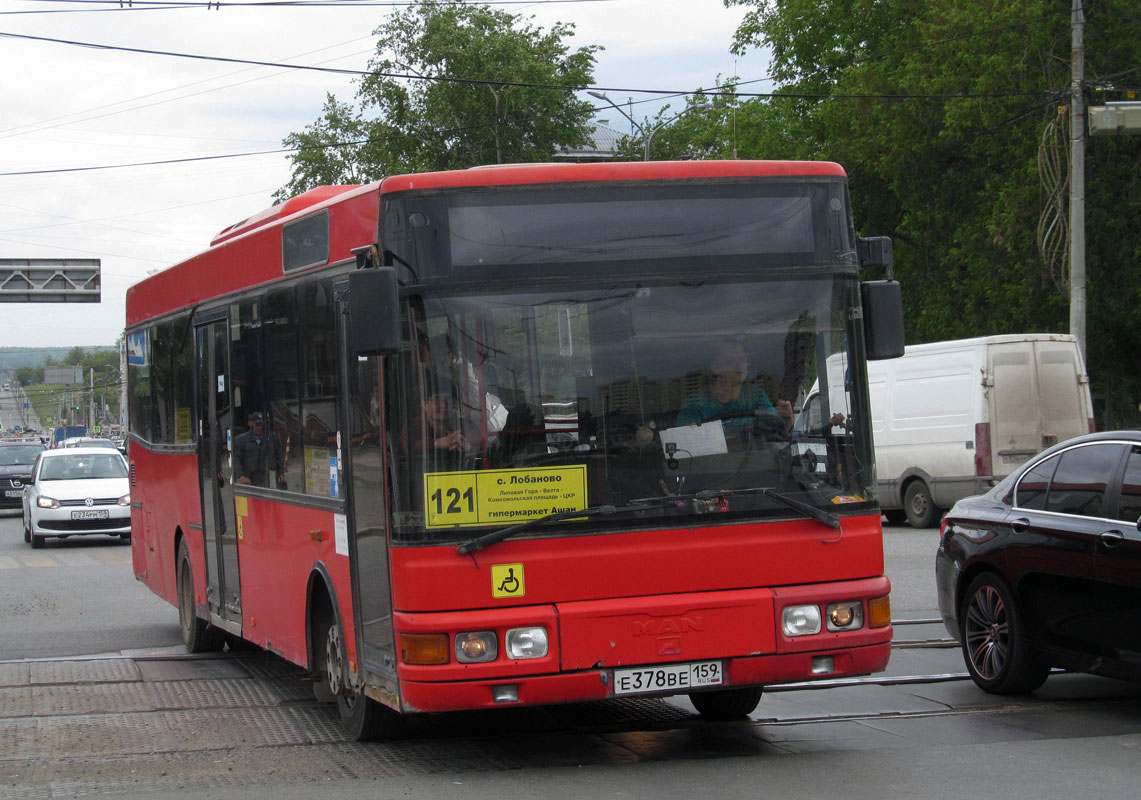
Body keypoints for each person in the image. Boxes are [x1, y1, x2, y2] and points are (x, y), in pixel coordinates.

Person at [677, 341, 793, 433]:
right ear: (716, 368)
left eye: (742, 359)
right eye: (730, 360)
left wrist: (785, 423)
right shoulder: (695, 403)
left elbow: (775, 430)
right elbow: (683, 445)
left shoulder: (755, 394)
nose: (738, 365)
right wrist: (689, 434)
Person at [232, 411, 287, 488]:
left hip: (267, 477)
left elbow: (278, 456)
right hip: (250, 479)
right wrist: (241, 476)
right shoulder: (241, 440)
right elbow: (236, 459)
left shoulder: (271, 438)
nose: (259, 427)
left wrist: (281, 473)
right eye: (257, 425)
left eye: (261, 425)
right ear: (252, 424)